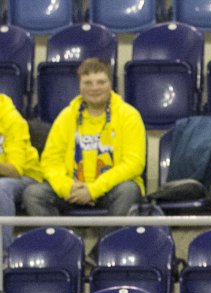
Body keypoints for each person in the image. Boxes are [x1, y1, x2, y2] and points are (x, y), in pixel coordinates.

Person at [23, 58, 145, 218]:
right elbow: (50, 162)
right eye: (88, 83)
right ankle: (63, 235)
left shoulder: (129, 116)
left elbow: (133, 164)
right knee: (33, 194)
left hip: (110, 189)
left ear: (111, 84)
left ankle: (107, 236)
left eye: (101, 82)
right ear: (80, 86)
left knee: (129, 190)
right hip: (72, 190)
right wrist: (67, 187)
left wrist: (93, 190)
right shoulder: (66, 116)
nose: (94, 88)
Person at [0, 93, 43, 254]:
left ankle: (4, 253)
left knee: (1, 188)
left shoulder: (12, 119)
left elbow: (15, 170)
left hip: (27, 177)